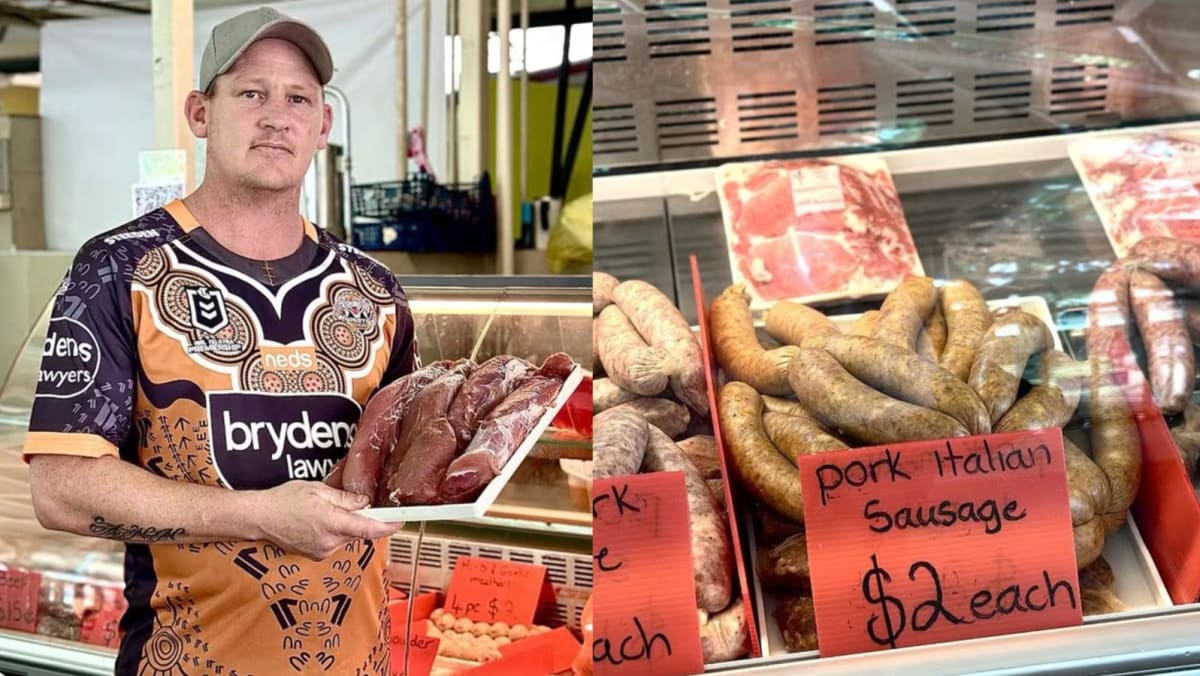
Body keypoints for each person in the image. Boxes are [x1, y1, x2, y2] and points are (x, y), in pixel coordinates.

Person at [24, 6, 415, 674]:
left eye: (298, 98)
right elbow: (62, 489)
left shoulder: (375, 291)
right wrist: (261, 515)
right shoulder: (122, 267)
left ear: (321, 125)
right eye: (250, 93)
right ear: (200, 113)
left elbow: (407, 471)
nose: (276, 115)